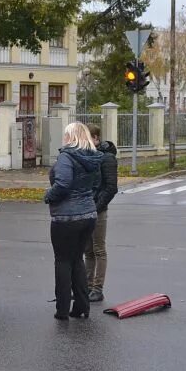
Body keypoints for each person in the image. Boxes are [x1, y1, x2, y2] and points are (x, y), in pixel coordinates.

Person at [44, 122, 103, 320]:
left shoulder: (66, 156)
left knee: (62, 261)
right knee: (77, 259)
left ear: (71, 136)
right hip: (88, 215)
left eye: (66, 135)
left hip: (65, 217)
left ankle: (62, 310)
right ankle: (81, 307)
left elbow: (63, 184)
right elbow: (96, 185)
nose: (64, 138)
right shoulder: (93, 157)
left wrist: (48, 195)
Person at [84, 124, 118, 303]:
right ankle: (87, 287)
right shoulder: (89, 156)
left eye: (87, 139)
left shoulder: (107, 158)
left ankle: (98, 288)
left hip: (98, 210)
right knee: (87, 250)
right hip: (86, 208)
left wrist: (97, 206)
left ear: (96, 138)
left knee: (98, 249)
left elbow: (111, 187)